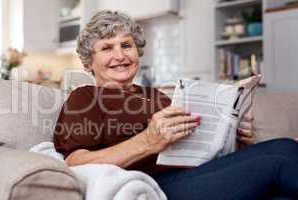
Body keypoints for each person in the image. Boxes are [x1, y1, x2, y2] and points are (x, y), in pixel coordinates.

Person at [54, 10, 298, 200]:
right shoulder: (85, 97)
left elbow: (198, 150)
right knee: (283, 152)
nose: (120, 55)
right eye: (107, 48)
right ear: (89, 62)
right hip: (156, 186)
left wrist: (235, 138)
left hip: (197, 175)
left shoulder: (158, 96)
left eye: (126, 45)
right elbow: (75, 163)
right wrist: (147, 141)